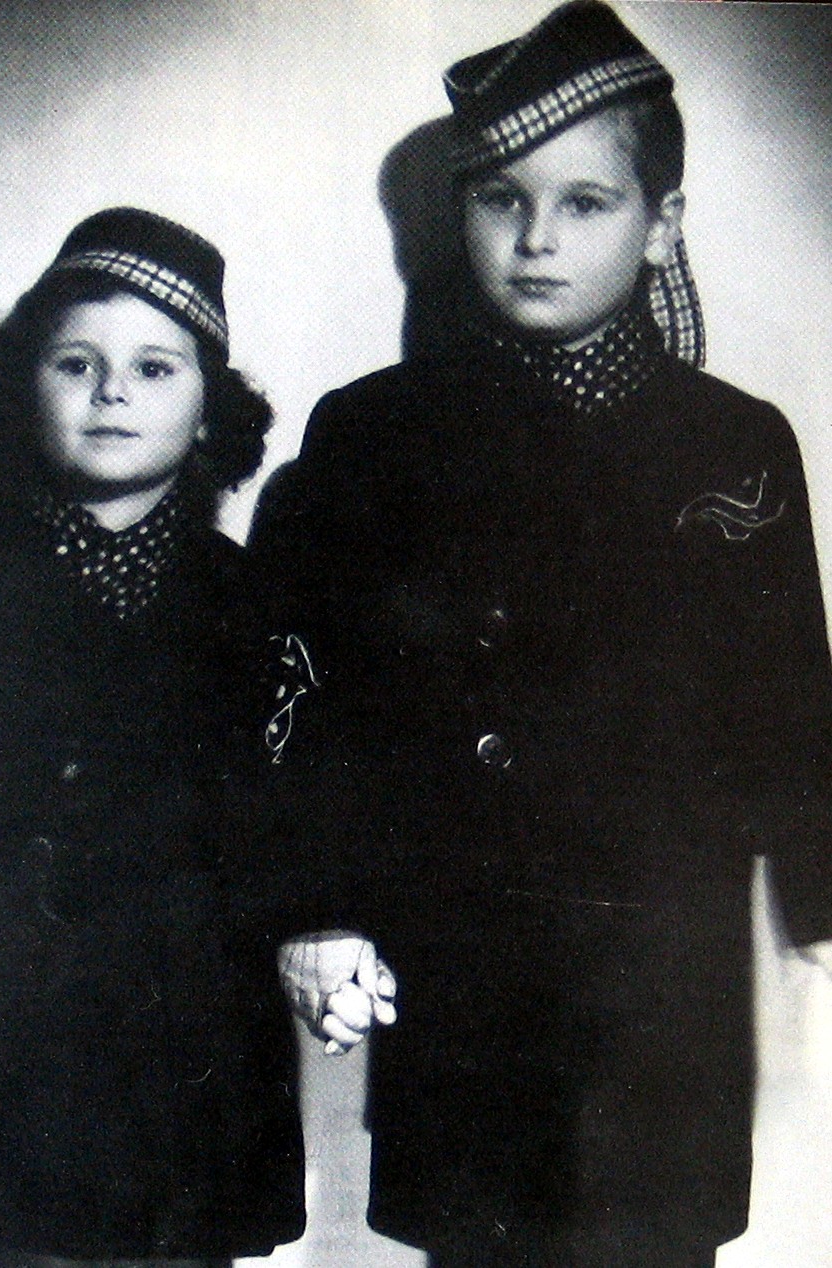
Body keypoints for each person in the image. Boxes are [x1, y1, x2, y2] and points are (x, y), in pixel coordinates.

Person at [252, 4, 832, 1265]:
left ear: (661, 222)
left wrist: (822, 894)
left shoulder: (734, 444)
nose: (534, 239)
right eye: (502, 199)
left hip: (660, 977)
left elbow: (791, 701)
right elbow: (301, 701)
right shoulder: (374, 436)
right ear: (458, 214)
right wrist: (317, 904)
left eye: (585, 203)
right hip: (458, 961)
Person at [0, 207, 317, 1268]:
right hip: (19, 1043)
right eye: (77, 361)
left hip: (206, 1044)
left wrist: (331, 922)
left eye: (154, 365)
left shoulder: (258, 608)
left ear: (209, 409)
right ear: (18, 390)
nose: (113, 391)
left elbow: (302, 810)